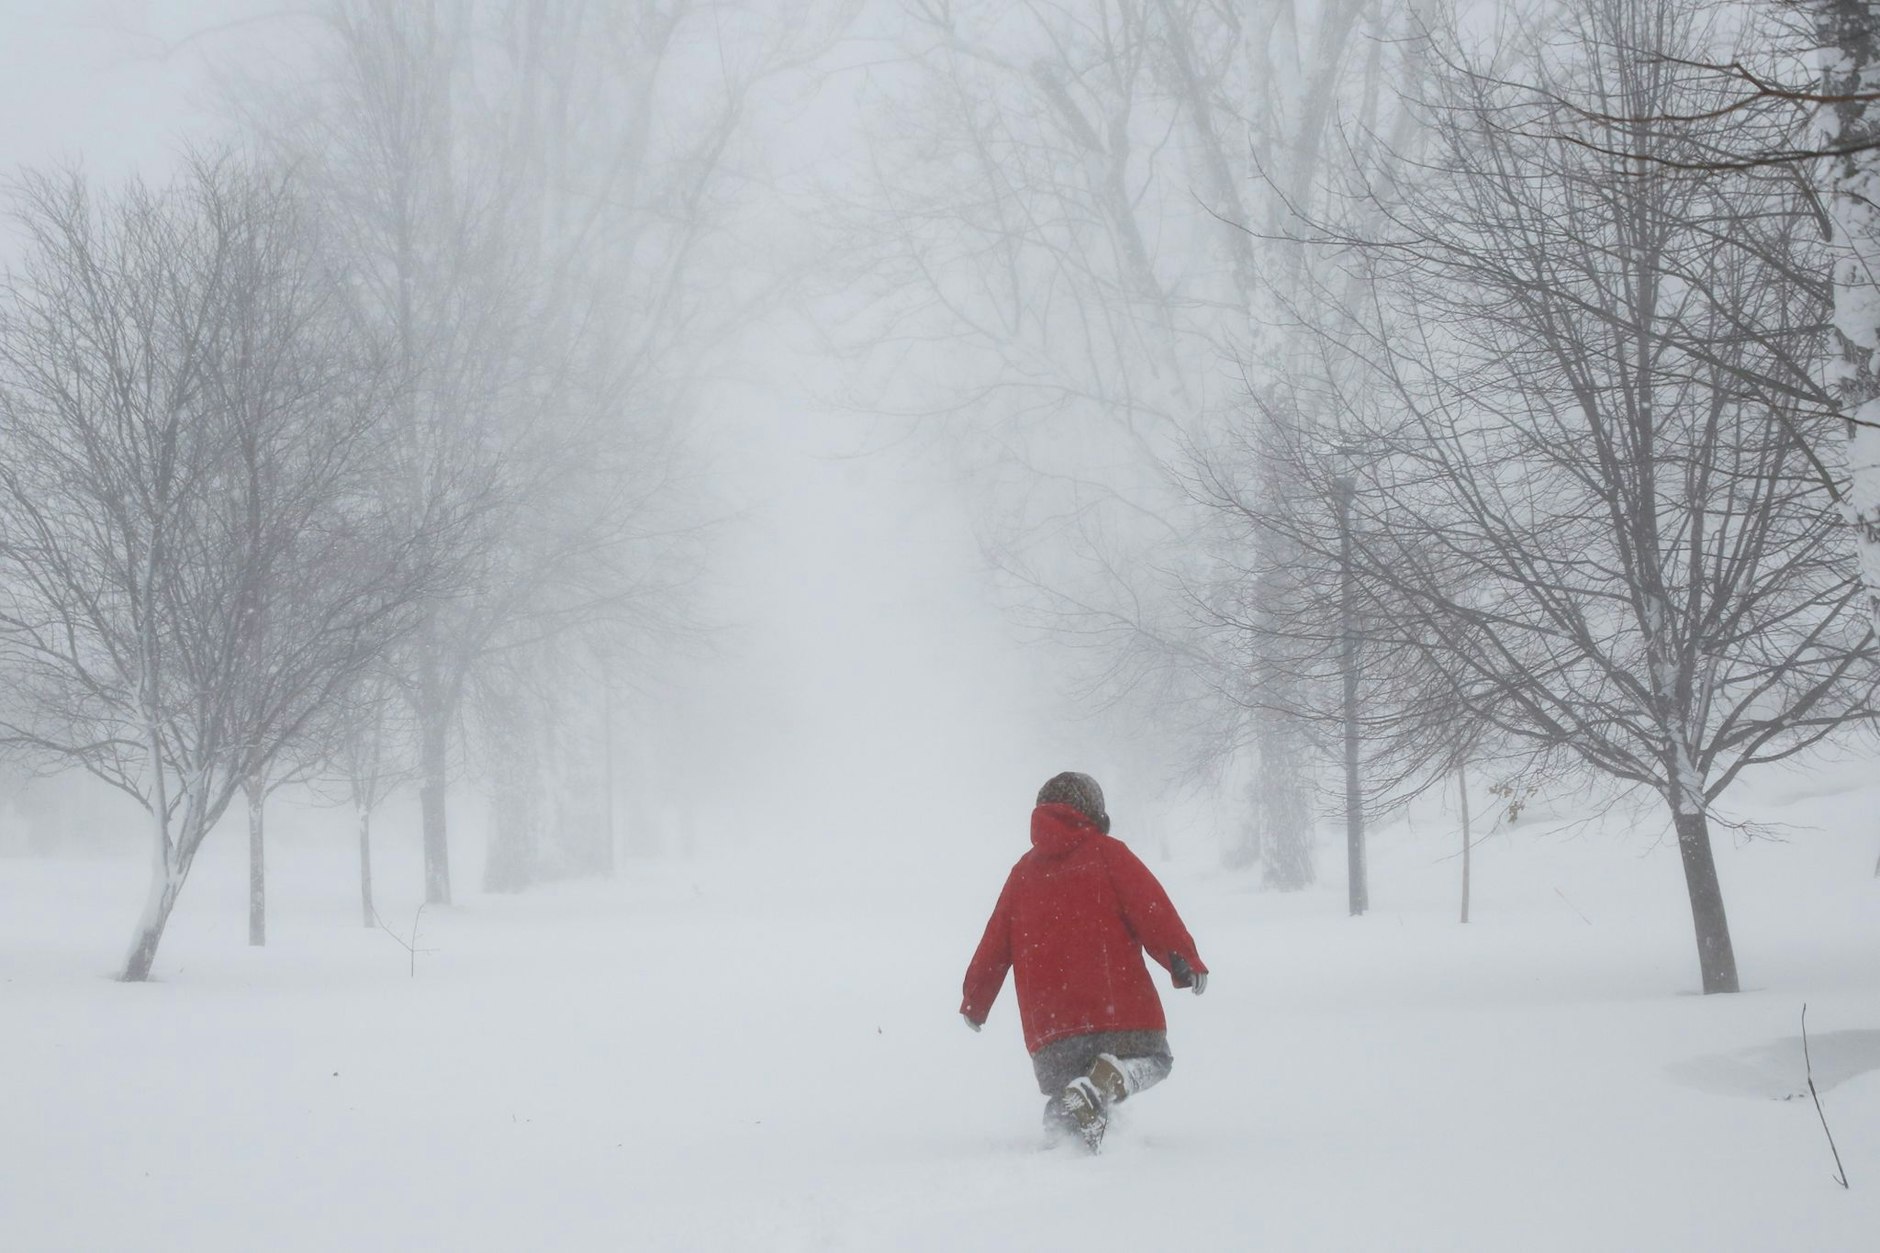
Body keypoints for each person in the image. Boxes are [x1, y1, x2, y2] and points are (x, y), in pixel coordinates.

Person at [960, 771, 1208, 1151]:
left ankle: (1066, 1137)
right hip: (1118, 1014)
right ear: (1093, 811)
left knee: (1068, 1090)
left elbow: (994, 944)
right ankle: (1111, 1079)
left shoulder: (1022, 875)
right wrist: (1184, 959)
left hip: (1051, 1031)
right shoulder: (1109, 855)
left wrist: (976, 1000)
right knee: (1155, 1060)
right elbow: (1151, 910)